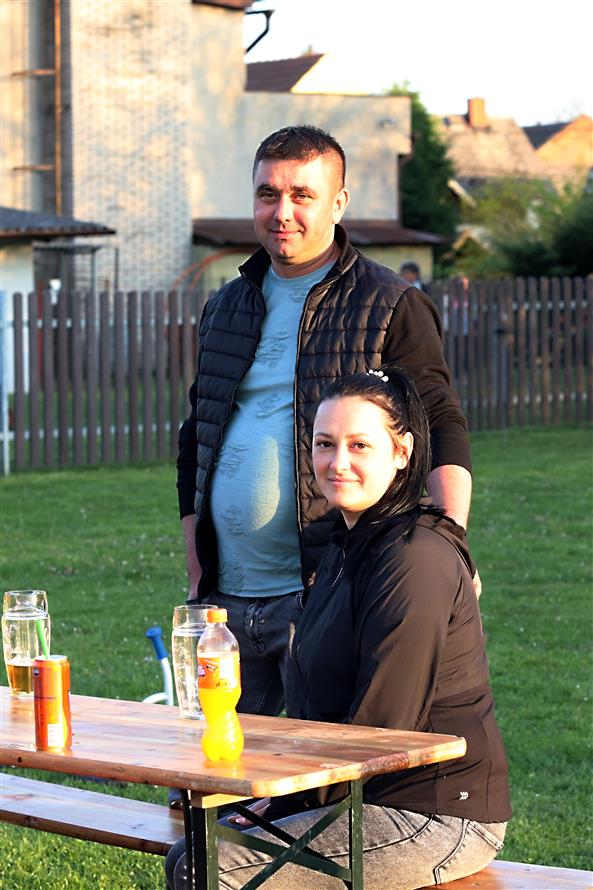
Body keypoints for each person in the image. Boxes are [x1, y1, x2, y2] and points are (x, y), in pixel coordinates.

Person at [166, 368, 511, 889]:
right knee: (194, 847)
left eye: (359, 445)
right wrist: (280, 799)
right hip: (358, 791)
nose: (338, 462)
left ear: (402, 452)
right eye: (325, 444)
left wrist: (287, 798)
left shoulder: (414, 558)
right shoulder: (346, 543)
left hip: (433, 811)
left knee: (210, 867)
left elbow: (381, 728)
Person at [176, 124, 474, 721]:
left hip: (330, 587)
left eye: (302, 195)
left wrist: (451, 548)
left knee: (323, 766)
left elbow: (438, 423)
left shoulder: (390, 303)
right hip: (225, 599)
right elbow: (197, 437)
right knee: (215, 764)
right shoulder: (225, 305)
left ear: (338, 203)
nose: (281, 212)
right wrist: (197, 563)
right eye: (267, 194)